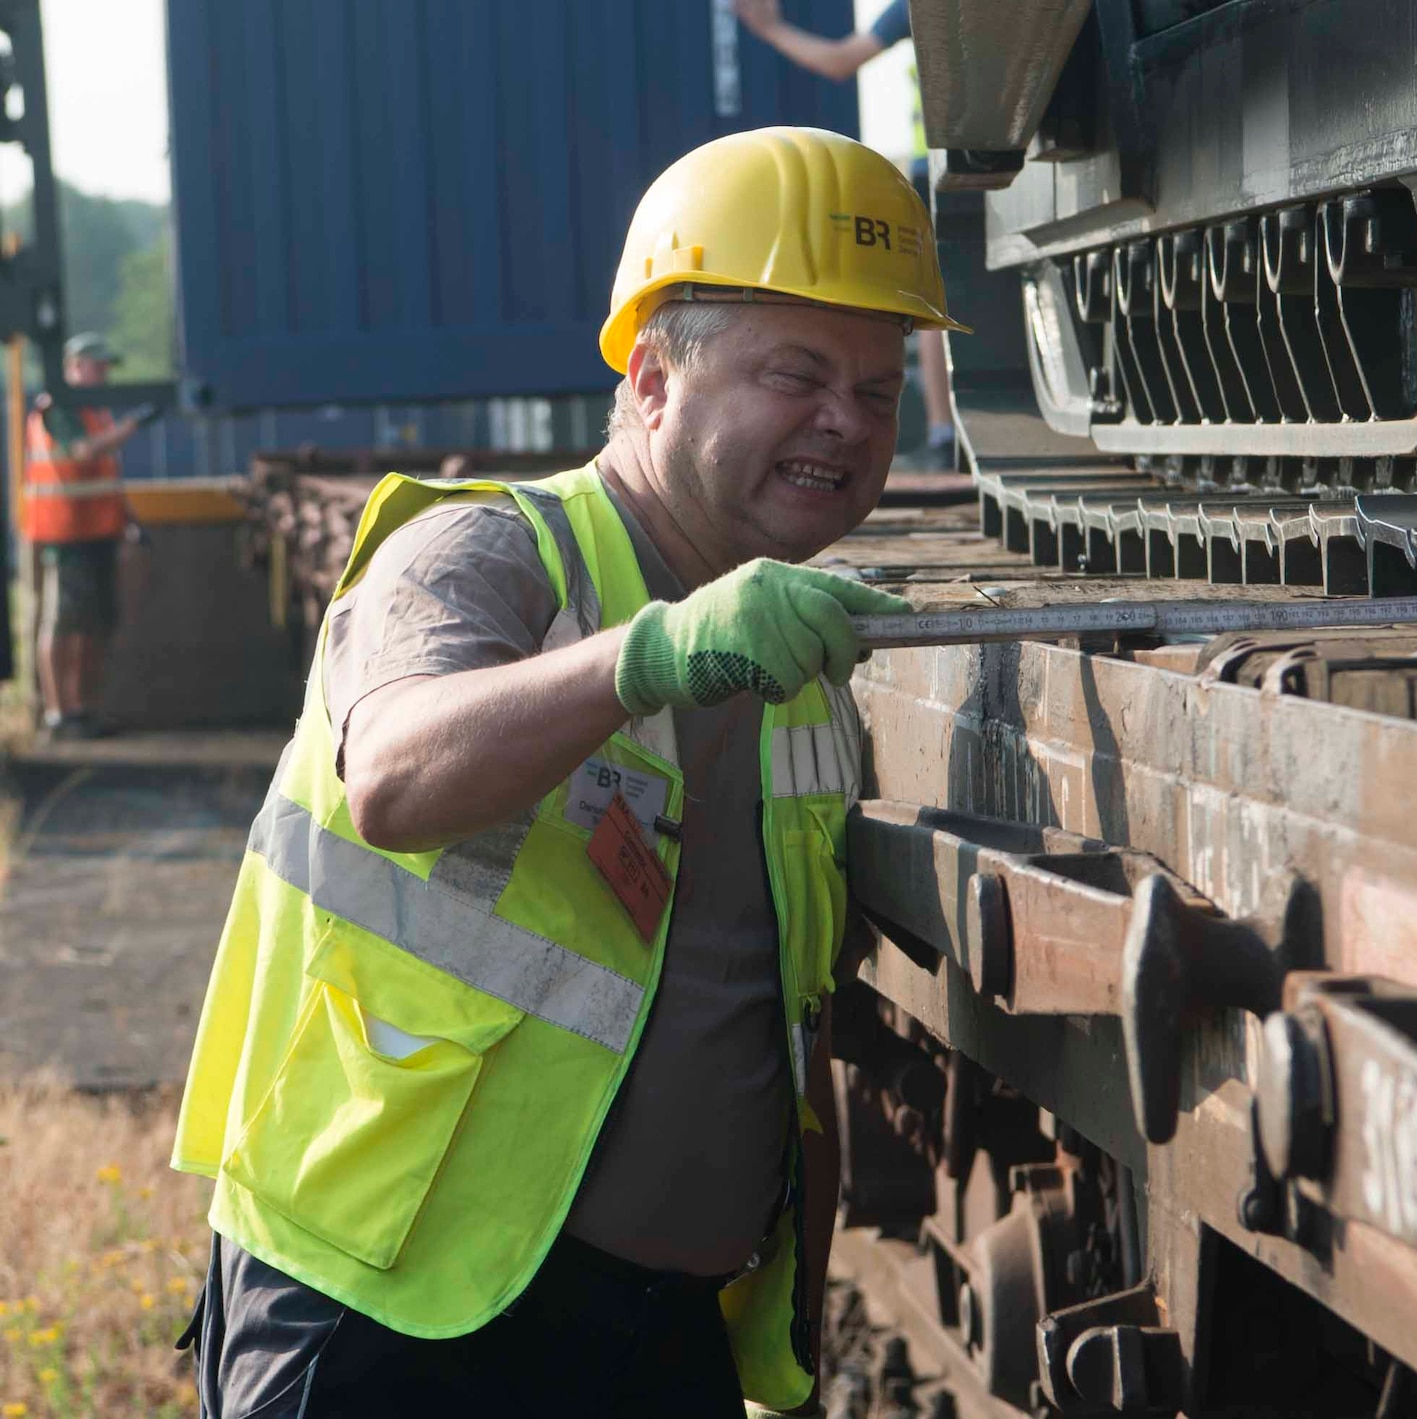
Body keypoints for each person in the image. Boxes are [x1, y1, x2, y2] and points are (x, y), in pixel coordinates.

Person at [170, 127, 965, 1418]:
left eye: (879, 390)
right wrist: (652, 654)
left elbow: (762, 1000)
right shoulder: (482, 555)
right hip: (399, 1316)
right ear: (651, 380)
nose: (845, 420)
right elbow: (393, 769)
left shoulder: (788, 652)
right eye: (797, 373)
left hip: (651, 1341)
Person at [734, 0, 959, 471]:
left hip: (943, 166)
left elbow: (841, 60)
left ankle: (946, 435)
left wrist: (773, 31)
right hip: (990, 161)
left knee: (942, 305)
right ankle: (951, 430)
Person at [22, 332, 149, 739]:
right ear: (74, 367)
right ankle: (60, 714)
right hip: (65, 536)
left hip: (97, 533)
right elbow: (82, 453)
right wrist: (132, 426)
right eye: (97, 367)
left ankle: (82, 710)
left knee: (93, 624)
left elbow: (104, 475)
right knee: (62, 623)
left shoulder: (94, 412)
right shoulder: (58, 409)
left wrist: (127, 518)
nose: (104, 375)